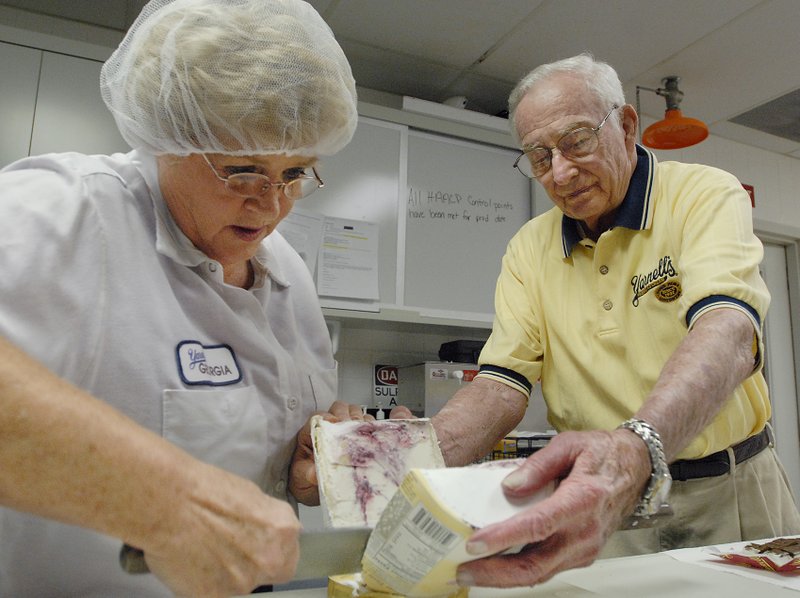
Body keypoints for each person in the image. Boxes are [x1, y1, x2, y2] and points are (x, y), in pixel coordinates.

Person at [0, 0, 366, 596]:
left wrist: (312, 463)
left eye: (297, 172)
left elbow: (255, 445)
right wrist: (168, 503)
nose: (271, 204)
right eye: (242, 169)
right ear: (168, 138)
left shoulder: (288, 272)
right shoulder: (65, 212)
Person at [430, 53, 800, 589]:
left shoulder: (703, 194)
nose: (560, 173)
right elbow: (501, 385)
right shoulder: (528, 249)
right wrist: (404, 461)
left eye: (577, 141)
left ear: (627, 126)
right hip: (606, 505)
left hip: (732, 488)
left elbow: (729, 331)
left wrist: (637, 448)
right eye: (538, 156)